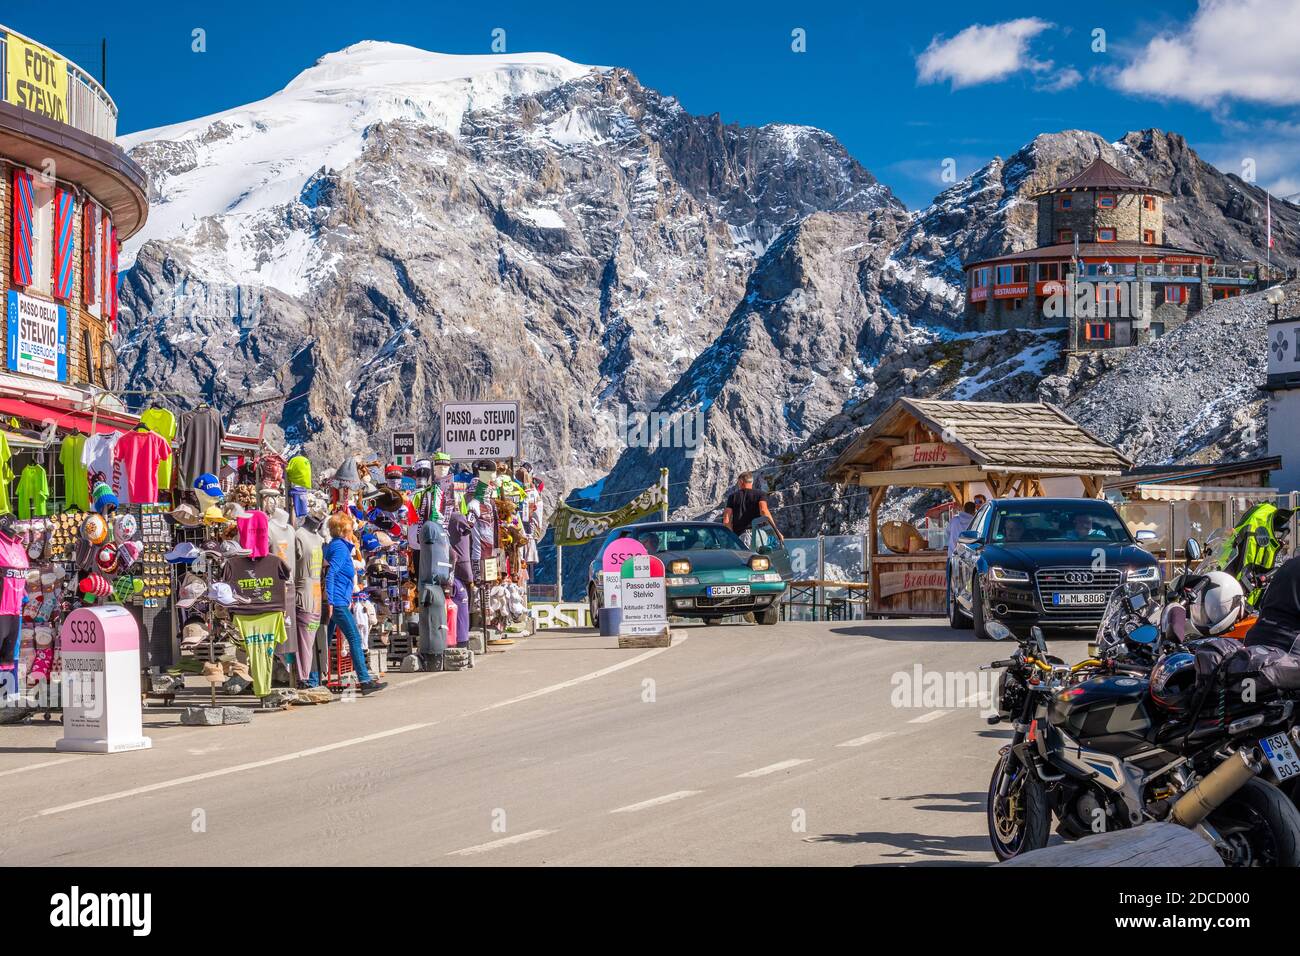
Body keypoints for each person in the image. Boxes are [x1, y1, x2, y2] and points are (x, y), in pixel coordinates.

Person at [322, 511, 385, 694]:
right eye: (350, 530)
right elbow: (331, 574)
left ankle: (315, 677)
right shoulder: (340, 548)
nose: (353, 533)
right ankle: (365, 681)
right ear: (343, 531)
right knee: (355, 638)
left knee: (325, 640)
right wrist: (333, 602)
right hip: (338, 602)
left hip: (340, 600)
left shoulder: (336, 546)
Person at [722, 472, 781, 548]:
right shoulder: (760, 494)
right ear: (751, 482)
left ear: (741, 482)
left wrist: (731, 537)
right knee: (764, 557)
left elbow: (726, 519)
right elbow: (764, 511)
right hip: (759, 535)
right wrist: (777, 532)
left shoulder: (732, 497)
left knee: (746, 558)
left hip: (742, 536)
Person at [945, 501, 978, 585]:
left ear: (964, 509)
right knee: (968, 585)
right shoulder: (976, 522)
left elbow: (947, 533)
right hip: (969, 557)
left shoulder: (954, 520)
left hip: (953, 555)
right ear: (975, 510)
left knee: (953, 584)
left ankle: (952, 597)